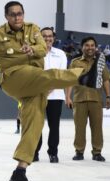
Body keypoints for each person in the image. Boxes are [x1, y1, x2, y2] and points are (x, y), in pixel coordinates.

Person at [0, 1, 104, 181]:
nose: (17, 17)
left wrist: (32, 50)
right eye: (12, 14)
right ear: (6, 16)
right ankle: (84, 77)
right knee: (49, 74)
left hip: (34, 83)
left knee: (35, 121)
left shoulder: (33, 28)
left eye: (20, 13)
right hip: (13, 77)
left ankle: (20, 170)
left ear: (23, 14)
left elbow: (41, 48)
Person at [66, 36, 110, 162]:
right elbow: (70, 80)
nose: (90, 47)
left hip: (96, 99)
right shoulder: (75, 62)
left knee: (97, 127)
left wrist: (108, 96)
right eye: (87, 45)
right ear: (82, 47)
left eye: (92, 45)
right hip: (79, 100)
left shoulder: (100, 62)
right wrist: (67, 97)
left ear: (95, 47)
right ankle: (79, 151)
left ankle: (97, 152)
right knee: (79, 128)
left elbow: (106, 80)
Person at [33, 27, 68, 163]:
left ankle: (53, 153)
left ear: (54, 38)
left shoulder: (60, 54)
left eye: (50, 36)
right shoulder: (35, 53)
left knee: (54, 126)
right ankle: (34, 152)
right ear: (40, 38)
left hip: (56, 96)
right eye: (44, 36)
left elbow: (61, 75)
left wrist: (49, 88)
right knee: (36, 125)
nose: (47, 38)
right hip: (37, 95)